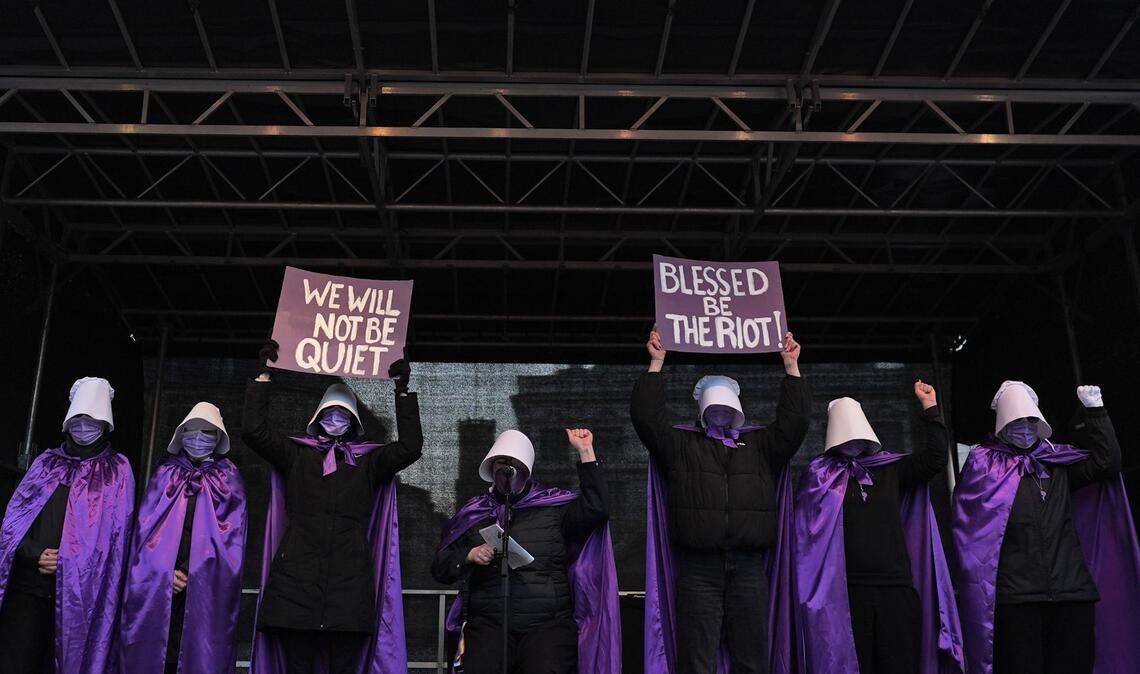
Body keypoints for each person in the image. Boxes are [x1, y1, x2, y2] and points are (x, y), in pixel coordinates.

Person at [634, 328, 810, 674]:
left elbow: (796, 423)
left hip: (749, 567)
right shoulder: (683, 446)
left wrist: (791, 367)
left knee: (752, 660)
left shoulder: (761, 445)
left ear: (737, 410)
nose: (720, 413)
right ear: (702, 410)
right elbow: (647, 420)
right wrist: (656, 363)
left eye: (726, 408)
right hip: (698, 569)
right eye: (714, 408)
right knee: (697, 661)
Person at [244, 340, 423, 674]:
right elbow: (254, 432)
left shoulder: (368, 462)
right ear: (318, 417)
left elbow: (410, 447)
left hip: (348, 588)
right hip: (296, 585)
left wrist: (402, 391)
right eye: (330, 413)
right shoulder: (297, 455)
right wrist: (263, 377)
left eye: (342, 414)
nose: (335, 418)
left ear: (353, 421)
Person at [953, 381, 1140, 674]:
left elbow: (1107, 463)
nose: (1025, 428)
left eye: (1031, 420)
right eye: (1017, 421)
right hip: (1016, 598)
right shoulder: (983, 466)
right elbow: (970, 530)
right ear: (1003, 425)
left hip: (1070, 592)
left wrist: (1096, 412)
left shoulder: (1058, 463)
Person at [788, 383, 963, 674]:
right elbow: (807, 535)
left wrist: (930, 409)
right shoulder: (820, 476)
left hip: (895, 589)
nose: (853, 442)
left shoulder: (890, 469)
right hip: (848, 593)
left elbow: (935, 459)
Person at [432, 428, 620, 674]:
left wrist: (586, 452)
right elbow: (440, 567)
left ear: (527, 469)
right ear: (491, 468)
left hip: (547, 625)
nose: (507, 469)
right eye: (501, 462)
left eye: (515, 463)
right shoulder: (474, 513)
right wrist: (469, 556)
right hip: (489, 624)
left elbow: (597, 509)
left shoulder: (553, 508)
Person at [0, 377, 135, 674]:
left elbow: (115, 538)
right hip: (30, 588)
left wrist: (69, 560)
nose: (84, 427)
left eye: (91, 421)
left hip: (81, 597)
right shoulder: (47, 463)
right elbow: (14, 524)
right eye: (78, 420)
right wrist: (35, 553)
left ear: (105, 424)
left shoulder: (117, 470)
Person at [119, 401, 248, 674]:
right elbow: (146, 529)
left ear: (218, 437)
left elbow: (231, 537)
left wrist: (190, 571)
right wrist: (164, 570)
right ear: (181, 434)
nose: (198, 438)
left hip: (204, 584)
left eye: (206, 432)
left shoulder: (229, 478)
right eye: (192, 431)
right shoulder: (165, 474)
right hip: (159, 582)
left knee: (198, 651)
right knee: (158, 651)